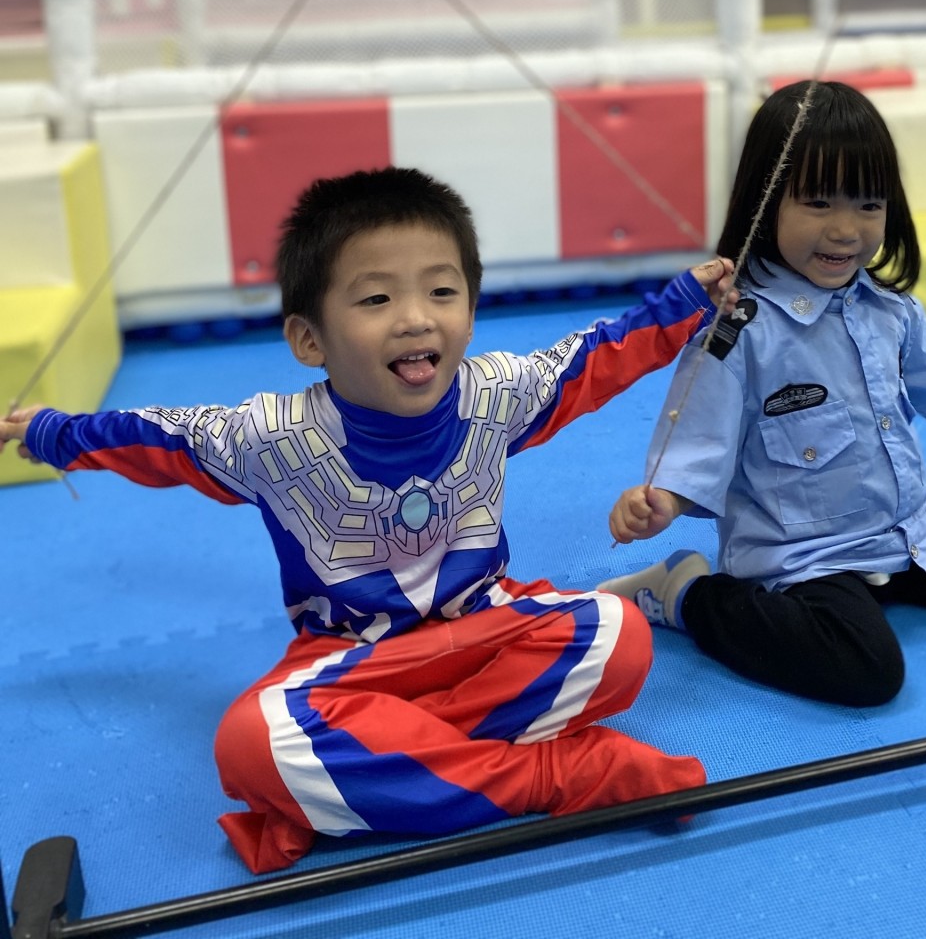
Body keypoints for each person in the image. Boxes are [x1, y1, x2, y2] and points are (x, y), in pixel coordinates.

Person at [0, 166, 737, 874]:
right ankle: (556, 773)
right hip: (349, 664)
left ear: (470, 313)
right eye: (376, 299)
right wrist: (50, 432)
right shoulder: (269, 438)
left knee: (618, 634)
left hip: (483, 632)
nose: (416, 318)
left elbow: (597, 357)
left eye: (442, 291)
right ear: (309, 341)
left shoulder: (498, 392)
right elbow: (150, 437)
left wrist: (682, 304)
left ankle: (396, 767)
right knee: (251, 744)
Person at [599, 80, 926, 709]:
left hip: (904, 528)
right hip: (804, 557)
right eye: (818, 203)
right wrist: (661, 503)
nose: (846, 230)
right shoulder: (737, 331)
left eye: (869, 204)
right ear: (765, 201)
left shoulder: (891, 309)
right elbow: (697, 443)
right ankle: (687, 594)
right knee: (868, 671)